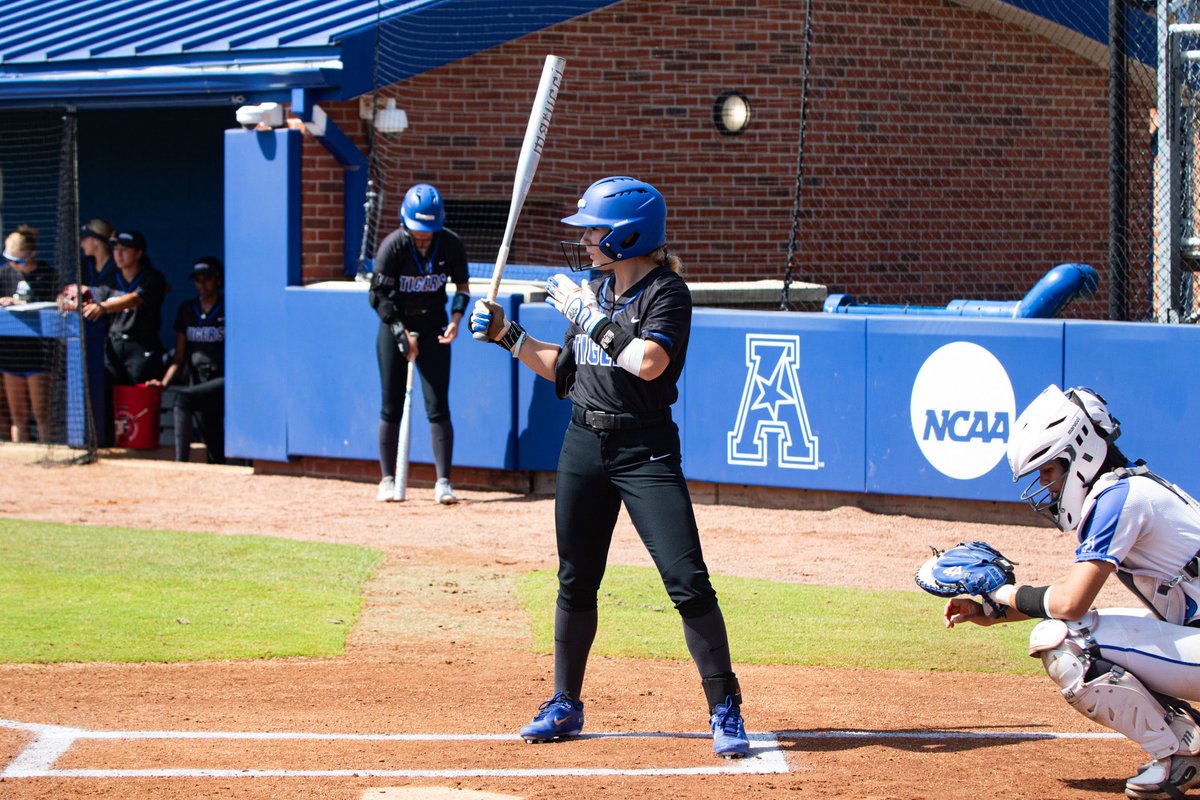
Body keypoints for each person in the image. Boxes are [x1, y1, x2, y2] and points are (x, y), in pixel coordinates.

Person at [468, 176, 751, 758]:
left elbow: (647, 361)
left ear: (629, 234)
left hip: (644, 450)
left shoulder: (667, 292)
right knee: (576, 578)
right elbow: (566, 369)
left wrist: (587, 311)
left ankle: (725, 708)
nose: (587, 239)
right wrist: (508, 335)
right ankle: (565, 703)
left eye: (596, 229)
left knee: (686, 579)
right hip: (583, 444)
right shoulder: (597, 288)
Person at [944, 384, 1200, 800]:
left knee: (1065, 641)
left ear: (1080, 453)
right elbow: (1070, 599)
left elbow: (1069, 604)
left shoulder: (1121, 499)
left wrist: (1003, 591)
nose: (1046, 485)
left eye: (1049, 470)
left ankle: (1179, 754)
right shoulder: (1130, 488)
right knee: (1073, 628)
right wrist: (989, 609)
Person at [368, 183, 470, 505]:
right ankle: (387, 479)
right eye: (418, 230)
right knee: (391, 404)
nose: (423, 236)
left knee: (437, 405)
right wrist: (401, 332)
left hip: (434, 326)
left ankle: (443, 482)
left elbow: (462, 287)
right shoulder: (393, 246)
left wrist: (455, 321)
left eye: (429, 230)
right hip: (395, 325)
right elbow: (378, 296)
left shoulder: (450, 244)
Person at [149, 257, 225, 463]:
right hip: (197, 378)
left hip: (222, 378)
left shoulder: (228, 307)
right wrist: (163, 383)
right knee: (211, 438)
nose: (201, 285)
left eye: (207, 280)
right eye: (197, 280)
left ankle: (180, 463)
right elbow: (180, 356)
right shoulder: (187, 309)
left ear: (218, 280)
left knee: (182, 399)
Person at [81, 230, 168, 385]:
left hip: (141, 347)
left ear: (139, 253)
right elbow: (94, 302)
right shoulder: (111, 280)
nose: (118, 254)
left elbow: (135, 299)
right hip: (114, 346)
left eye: (125, 250)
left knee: (136, 400)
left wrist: (103, 306)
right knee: (109, 398)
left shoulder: (152, 277)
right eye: (116, 249)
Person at [0, 225, 58, 441]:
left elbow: (56, 303)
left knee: (42, 414)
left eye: (19, 260)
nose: (13, 265)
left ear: (32, 254)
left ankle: (46, 452)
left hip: (38, 355)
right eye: (9, 259)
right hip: (10, 354)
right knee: (18, 416)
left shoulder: (47, 275)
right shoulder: (3, 274)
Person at [79, 218, 115, 287]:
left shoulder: (118, 265)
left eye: (85, 240)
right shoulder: (85, 265)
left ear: (96, 240)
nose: (81, 245)